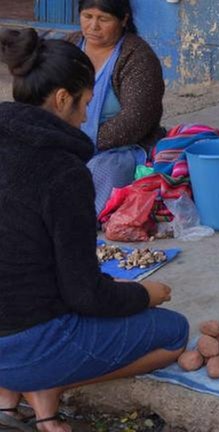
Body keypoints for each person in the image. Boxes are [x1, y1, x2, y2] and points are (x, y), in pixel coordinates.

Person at [0, 29, 187, 432]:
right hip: (28, 341)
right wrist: (143, 294)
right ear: (62, 98)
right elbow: (85, 293)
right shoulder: (63, 171)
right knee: (174, 333)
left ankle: (10, 396)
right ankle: (43, 386)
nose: (87, 117)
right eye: (85, 103)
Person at [69, 0, 165, 215]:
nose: (93, 26)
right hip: (69, 140)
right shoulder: (70, 46)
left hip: (122, 148)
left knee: (99, 171)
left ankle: (80, 221)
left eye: (103, 19)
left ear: (123, 20)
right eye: (87, 16)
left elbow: (135, 120)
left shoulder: (137, 57)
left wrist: (83, 143)